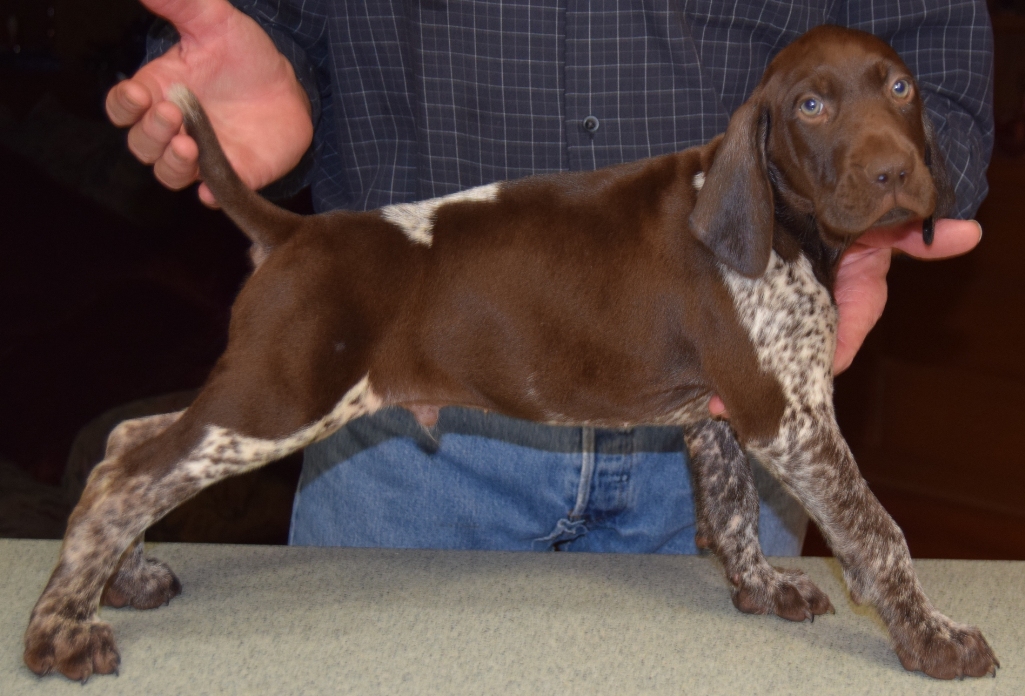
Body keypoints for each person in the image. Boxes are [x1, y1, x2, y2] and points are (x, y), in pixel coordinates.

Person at [106, 0, 992, 554]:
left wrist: (870, 208)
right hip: (401, 399)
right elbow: (276, 12)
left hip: (723, 381)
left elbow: (937, 53)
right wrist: (272, 50)